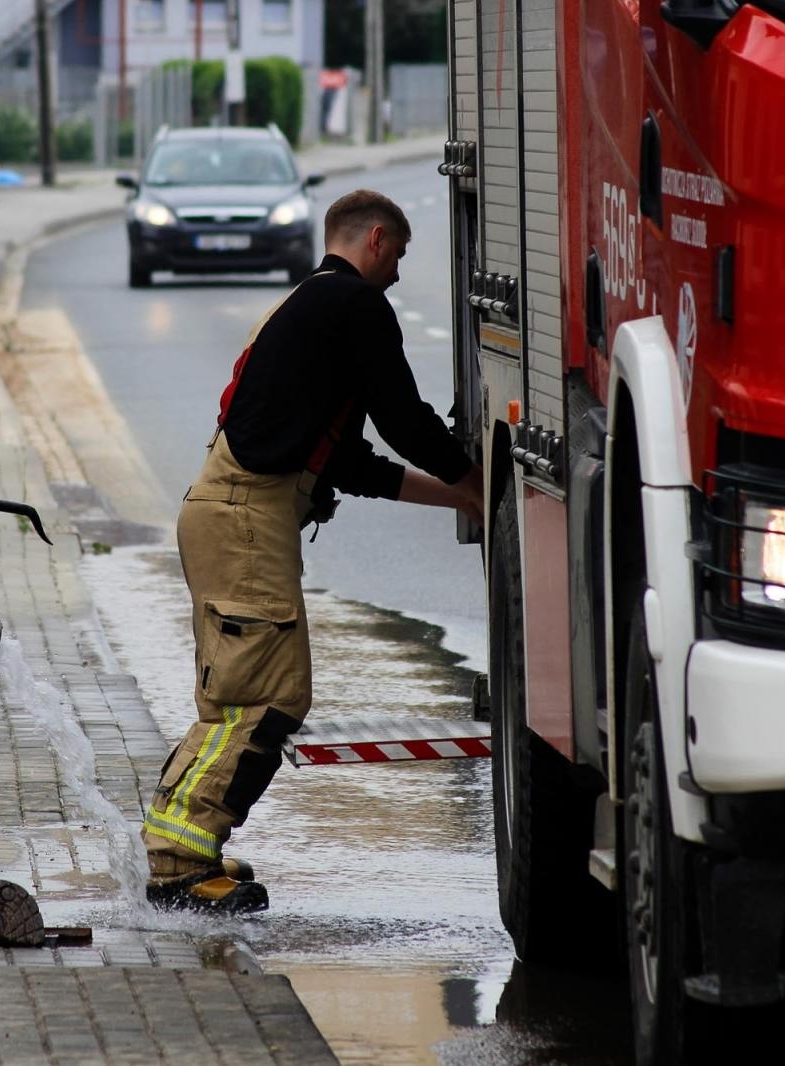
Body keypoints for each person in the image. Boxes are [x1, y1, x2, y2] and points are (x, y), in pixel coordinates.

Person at [142, 189, 486, 914]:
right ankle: (178, 863)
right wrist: (469, 472)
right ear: (378, 240)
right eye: (398, 258)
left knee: (235, 699)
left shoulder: (307, 309)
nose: (396, 276)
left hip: (223, 517)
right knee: (264, 696)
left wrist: (458, 497)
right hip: (243, 523)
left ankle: (184, 843)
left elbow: (348, 465)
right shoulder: (356, 307)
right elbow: (404, 417)